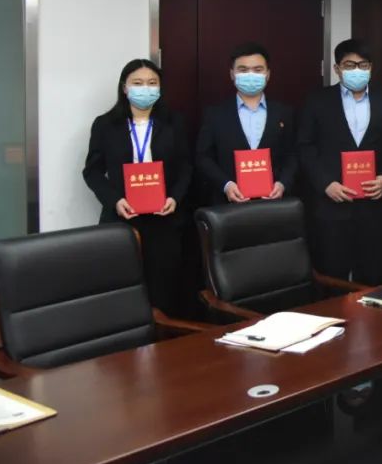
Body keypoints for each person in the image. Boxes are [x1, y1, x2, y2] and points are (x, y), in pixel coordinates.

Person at [82, 58, 192, 313]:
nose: (146, 89)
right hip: (122, 219)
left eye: (152, 83)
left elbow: (186, 166)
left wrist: (174, 198)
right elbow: (93, 171)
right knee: (121, 290)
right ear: (124, 88)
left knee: (163, 293)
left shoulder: (174, 122)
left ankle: (162, 336)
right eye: (138, 83)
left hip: (164, 219)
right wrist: (115, 201)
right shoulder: (105, 124)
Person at [298, 39, 382, 284]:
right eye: (349, 65)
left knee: (373, 276)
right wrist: (325, 183)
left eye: (363, 65)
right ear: (337, 68)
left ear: (371, 68)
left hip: (374, 205)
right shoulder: (317, 100)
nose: (357, 70)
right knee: (332, 275)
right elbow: (305, 146)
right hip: (332, 203)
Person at [196, 42, 296, 206]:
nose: (250, 75)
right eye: (243, 70)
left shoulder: (284, 112)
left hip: (274, 204)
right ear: (232, 74)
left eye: (258, 70)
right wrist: (226, 185)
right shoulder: (215, 114)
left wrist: (283, 183)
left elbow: (292, 154)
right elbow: (203, 157)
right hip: (228, 206)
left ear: (268, 74)